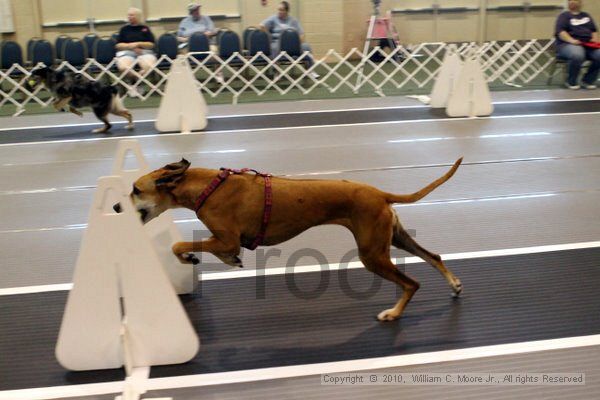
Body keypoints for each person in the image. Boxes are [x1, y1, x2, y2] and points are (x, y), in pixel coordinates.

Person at [260, 1, 318, 76]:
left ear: (286, 11)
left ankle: (310, 70)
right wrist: (268, 36)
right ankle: (276, 72)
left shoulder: (293, 21)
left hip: (292, 45)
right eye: (278, 9)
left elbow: (302, 34)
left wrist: (298, 42)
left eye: (281, 10)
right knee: (273, 47)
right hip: (278, 44)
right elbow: (261, 26)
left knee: (306, 46)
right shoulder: (273, 18)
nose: (279, 12)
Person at [555, 0, 600, 89]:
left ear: (580, 3)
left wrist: (595, 40)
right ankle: (571, 81)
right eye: (570, 0)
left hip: (587, 45)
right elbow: (561, 32)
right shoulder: (564, 16)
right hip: (567, 45)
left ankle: (587, 80)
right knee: (578, 54)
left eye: (575, 0)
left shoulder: (586, 16)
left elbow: (594, 30)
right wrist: (572, 40)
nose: (572, 2)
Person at [115, 7, 157, 95]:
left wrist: (138, 44)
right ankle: (136, 81)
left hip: (144, 52)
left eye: (131, 15)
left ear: (138, 16)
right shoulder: (124, 29)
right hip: (127, 53)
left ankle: (136, 83)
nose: (129, 17)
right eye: (128, 15)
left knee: (149, 66)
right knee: (123, 67)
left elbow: (151, 44)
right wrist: (130, 46)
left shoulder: (145, 28)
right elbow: (118, 45)